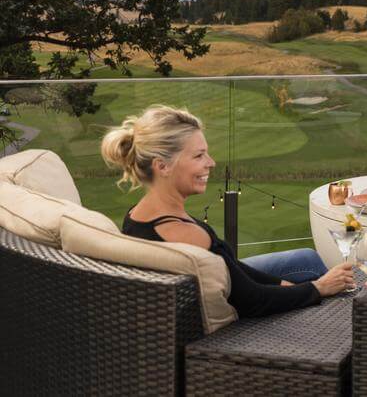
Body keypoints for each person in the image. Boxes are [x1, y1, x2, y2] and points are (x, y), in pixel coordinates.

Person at [101, 105, 354, 317]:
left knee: (305, 259)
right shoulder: (184, 234)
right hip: (238, 326)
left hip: (219, 289)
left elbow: (231, 268)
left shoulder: (138, 216)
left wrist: (284, 284)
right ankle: (340, 327)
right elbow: (252, 299)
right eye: (199, 155)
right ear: (162, 166)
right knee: (320, 274)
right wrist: (318, 288)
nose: (210, 163)